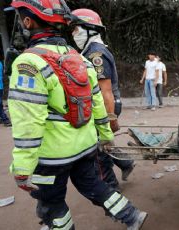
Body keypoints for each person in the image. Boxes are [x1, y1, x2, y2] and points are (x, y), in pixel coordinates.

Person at [7, 1, 147, 229]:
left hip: (52, 157)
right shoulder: (78, 58)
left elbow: (28, 123)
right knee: (95, 185)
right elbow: (98, 103)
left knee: (50, 202)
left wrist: (22, 169)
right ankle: (131, 215)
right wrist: (104, 136)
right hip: (85, 147)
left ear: (27, 21)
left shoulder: (29, 63)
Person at [71, 8, 136, 191]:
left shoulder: (95, 54)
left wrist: (110, 118)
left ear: (90, 29)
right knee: (104, 142)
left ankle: (111, 188)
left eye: (76, 29)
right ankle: (126, 163)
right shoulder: (90, 50)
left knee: (99, 150)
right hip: (104, 106)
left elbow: (105, 90)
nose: (73, 34)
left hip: (106, 107)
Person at [0, 59, 11, 126]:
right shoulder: (0, 63)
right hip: (0, 87)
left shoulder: (0, 63)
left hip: (0, 87)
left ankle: (4, 119)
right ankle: (5, 119)